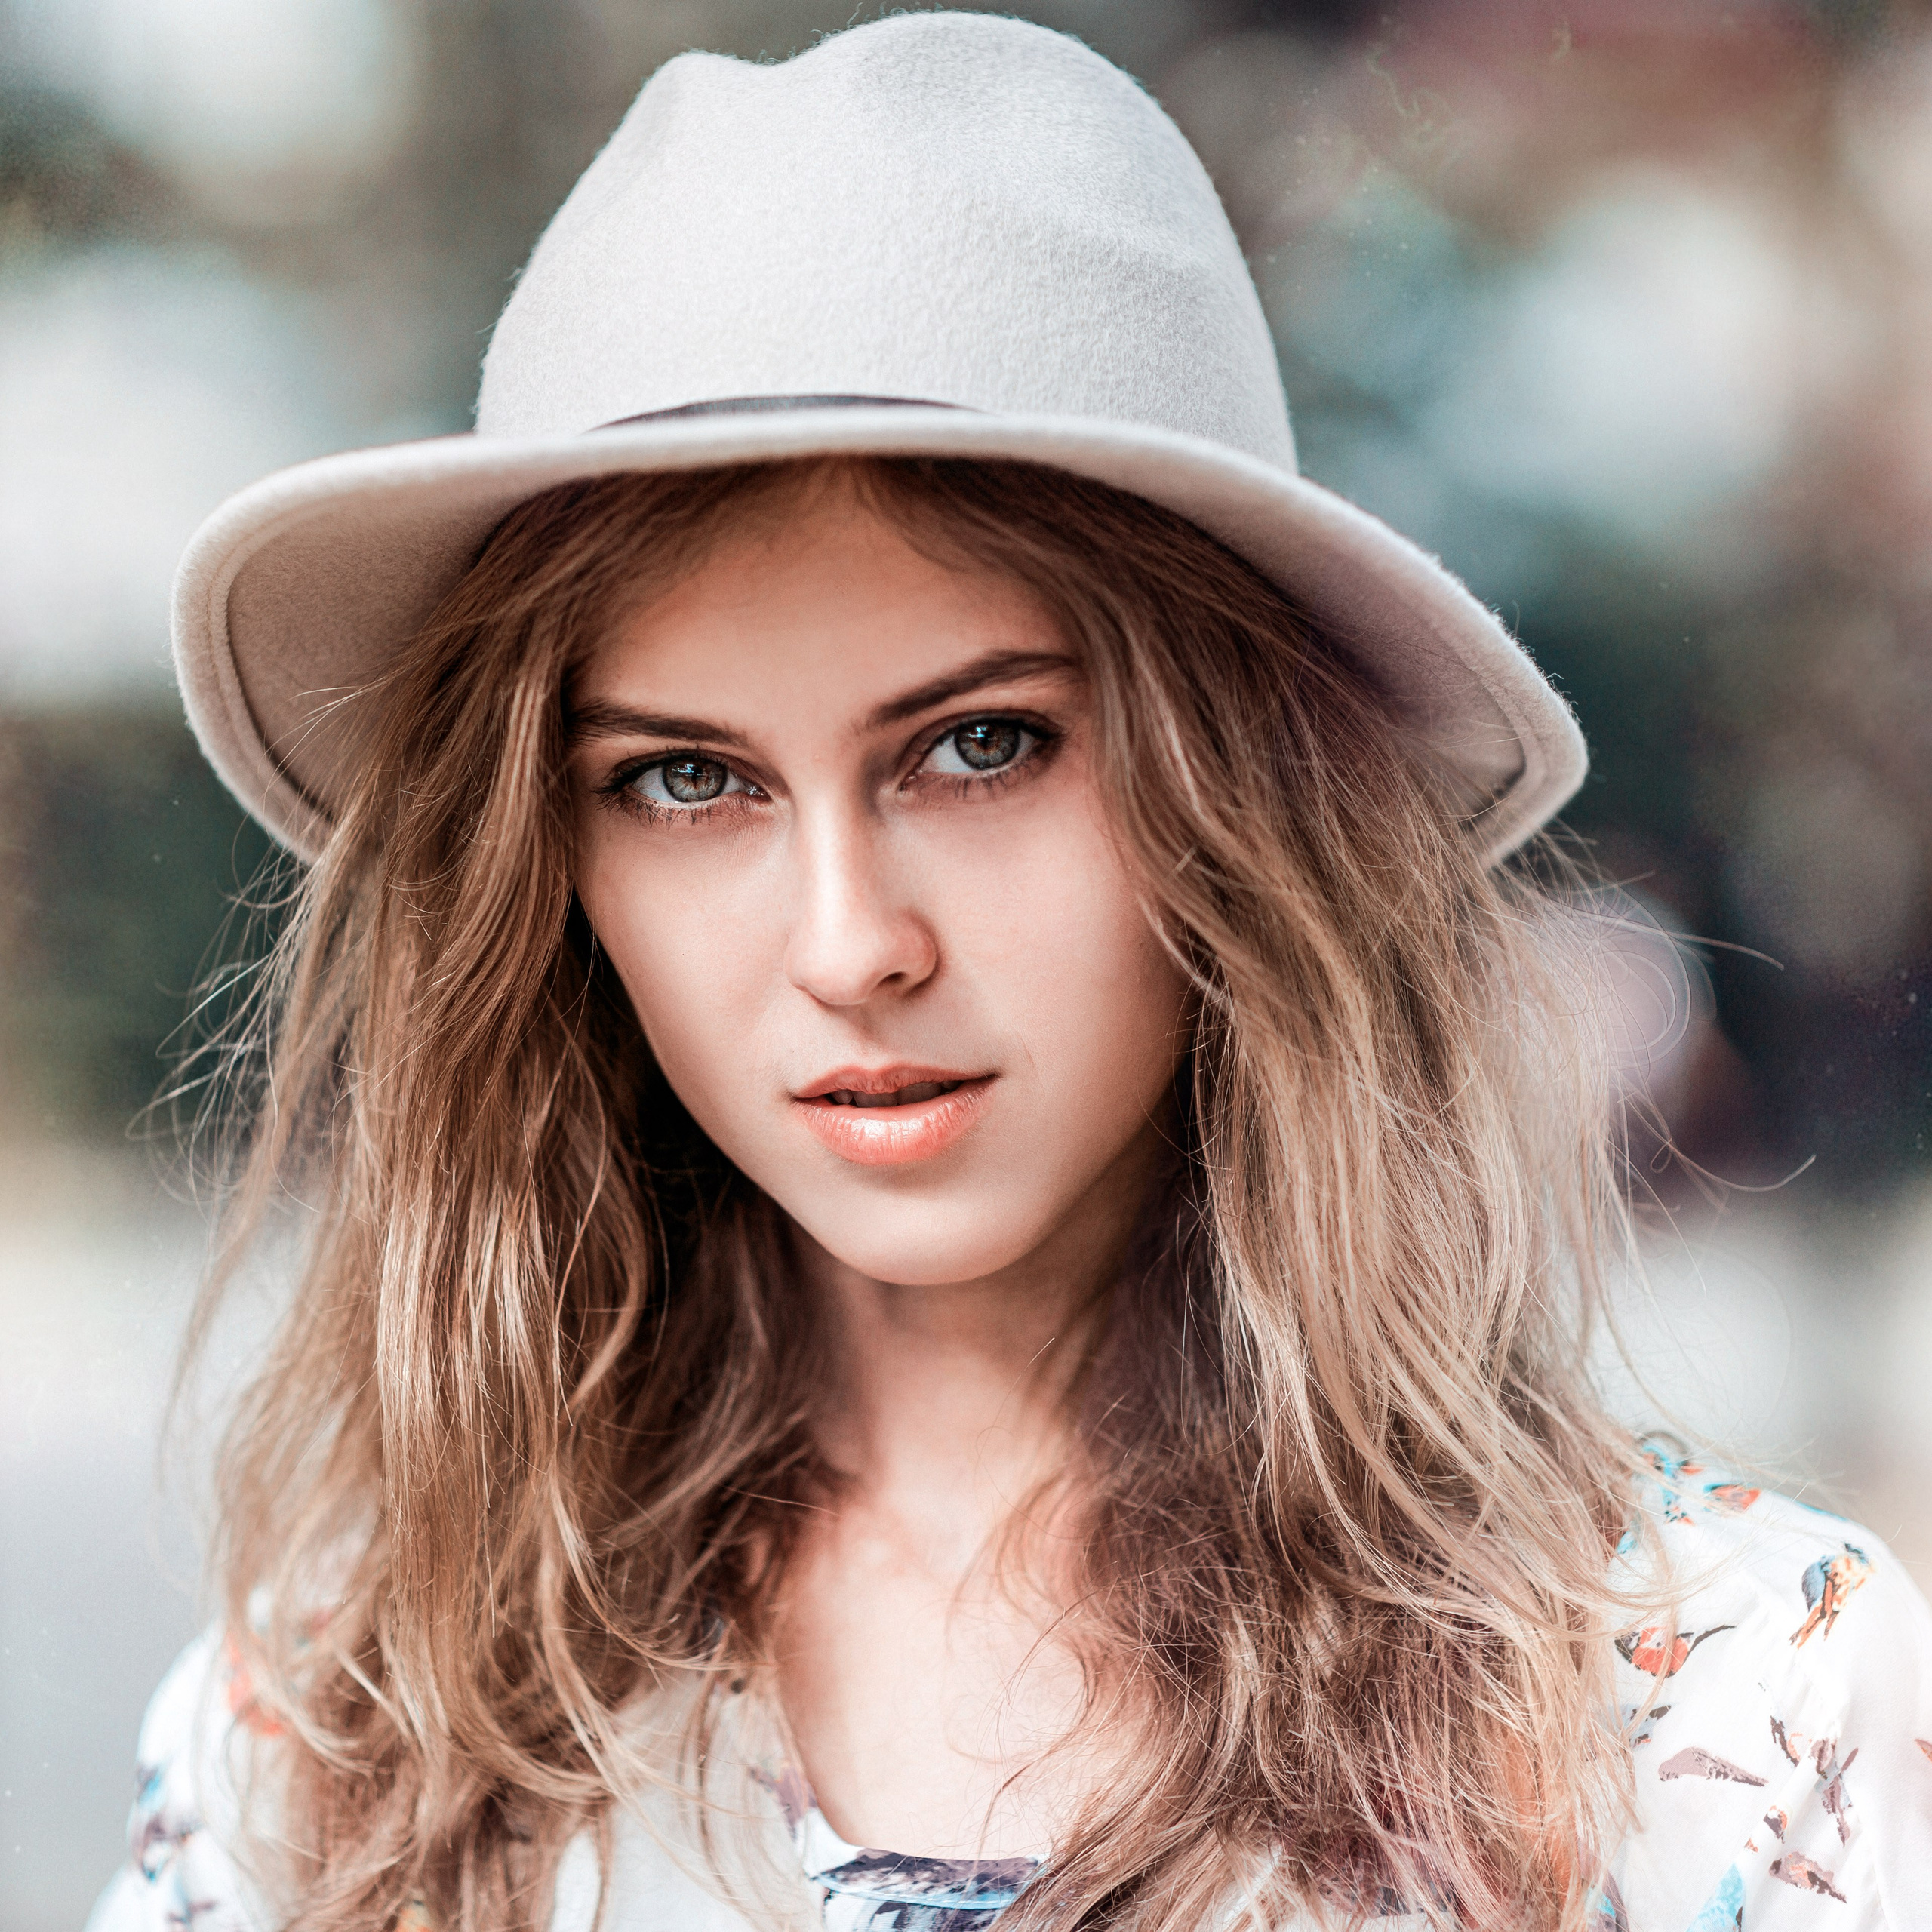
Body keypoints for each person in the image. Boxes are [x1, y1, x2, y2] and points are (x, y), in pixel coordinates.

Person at [89, 14, 1932, 1932]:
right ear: (553, 871)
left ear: (1247, 787)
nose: (846, 942)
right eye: (686, 778)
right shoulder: (337, 1733)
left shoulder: (1729, 1711)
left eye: (978, 745)